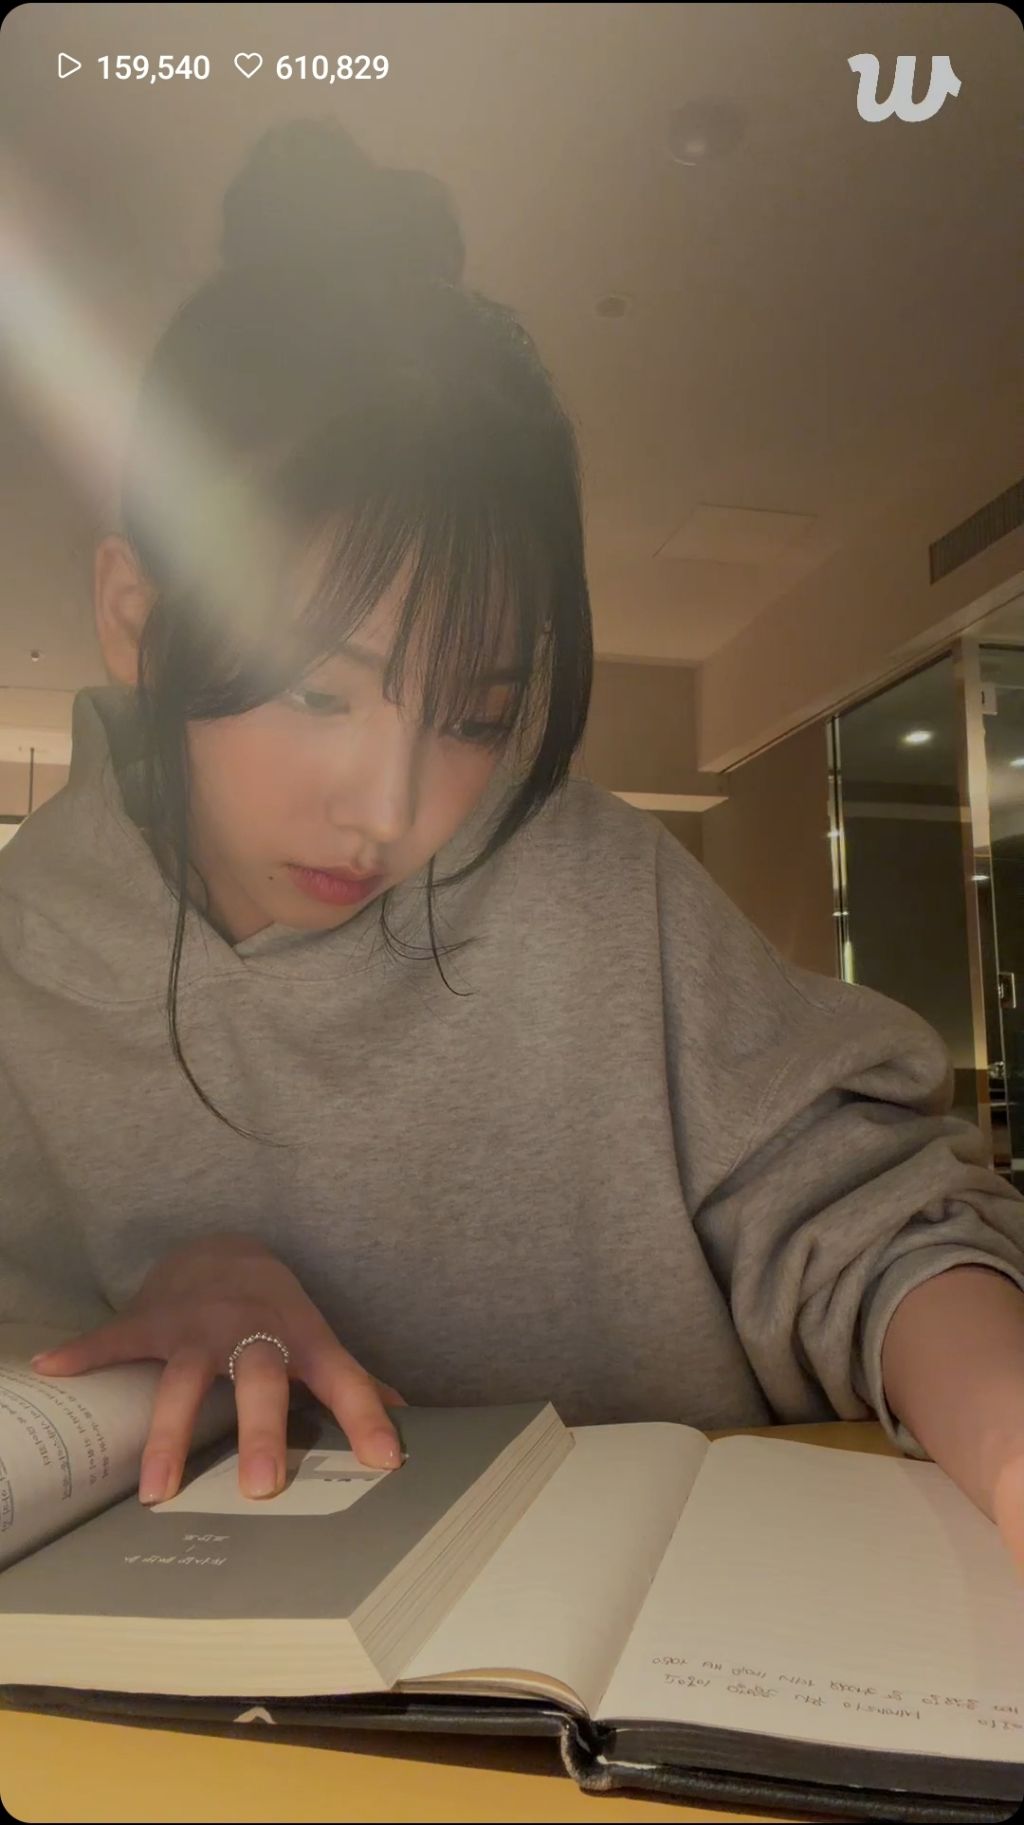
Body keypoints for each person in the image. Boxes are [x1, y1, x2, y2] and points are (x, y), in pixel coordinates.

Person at [3, 122, 1024, 1570]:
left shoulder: (589, 887)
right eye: (319, 692)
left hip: (687, 1627)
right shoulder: (28, 955)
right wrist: (164, 1313)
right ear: (136, 613)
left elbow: (877, 1218)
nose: (391, 806)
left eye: (476, 715)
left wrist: (1007, 1435)